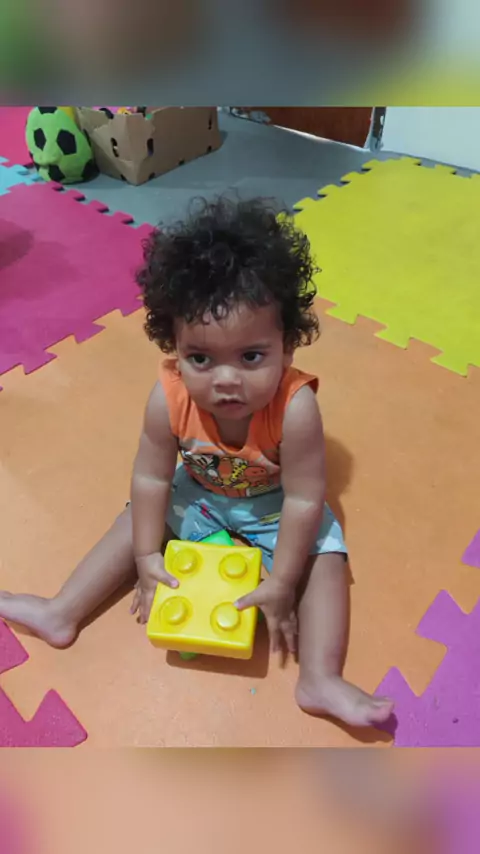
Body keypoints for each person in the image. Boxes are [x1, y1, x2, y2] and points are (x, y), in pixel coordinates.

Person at [0, 196, 393, 727]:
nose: (225, 380)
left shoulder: (296, 408)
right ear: (175, 347)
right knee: (133, 519)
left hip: (274, 507)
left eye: (251, 356)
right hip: (200, 497)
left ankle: (320, 677)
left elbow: (304, 499)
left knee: (326, 555)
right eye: (201, 358)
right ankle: (61, 611)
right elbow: (150, 477)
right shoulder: (169, 397)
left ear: (287, 348)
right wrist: (147, 555)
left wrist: (282, 581)